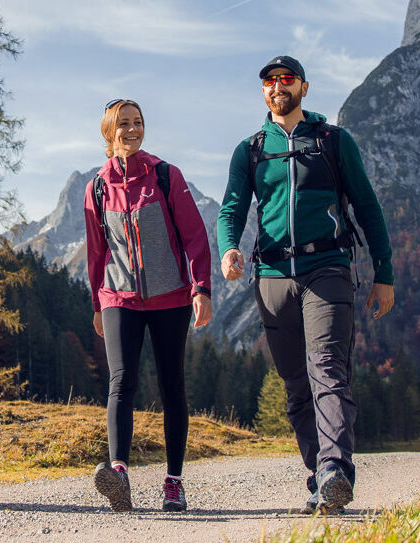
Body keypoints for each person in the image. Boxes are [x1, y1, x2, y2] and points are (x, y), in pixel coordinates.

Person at [215, 56, 395, 515]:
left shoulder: (333, 141)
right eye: (270, 81)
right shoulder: (250, 150)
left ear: (304, 87)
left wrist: (384, 274)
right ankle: (321, 477)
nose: (278, 86)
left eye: (286, 79)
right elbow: (232, 207)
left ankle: (337, 469)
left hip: (328, 267)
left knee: (328, 368)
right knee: (296, 384)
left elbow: (367, 208)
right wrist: (229, 247)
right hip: (272, 276)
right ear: (263, 92)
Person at [82, 99, 214, 512]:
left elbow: (194, 236)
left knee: (171, 384)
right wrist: (96, 304)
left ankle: (173, 481)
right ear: (109, 131)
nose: (132, 129)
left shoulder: (165, 175)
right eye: (123, 124)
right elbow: (96, 253)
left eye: (137, 122)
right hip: (118, 298)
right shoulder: (97, 187)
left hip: (170, 297)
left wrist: (201, 288)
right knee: (121, 381)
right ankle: (119, 472)